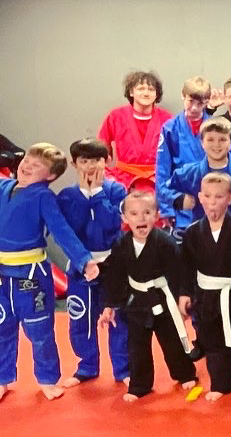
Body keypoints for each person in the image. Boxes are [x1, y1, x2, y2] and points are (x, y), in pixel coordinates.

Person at [0, 143, 99, 401]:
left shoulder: (43, 197)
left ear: (50, 176)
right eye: (27, 161)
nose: (27, 166)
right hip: (2, 276)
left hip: (31, 276)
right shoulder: (3, 187)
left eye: (37, 166)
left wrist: (85, 261)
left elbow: (61, 231)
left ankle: (47, 379)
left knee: (40, 331)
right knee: (2, 327)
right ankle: (2, 378)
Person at [98, 191, 197, 402]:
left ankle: (185, 374)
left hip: (163, 299)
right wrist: (109, 305)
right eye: (134, 214)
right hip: (137, 302)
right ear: (125, 218)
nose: (141, 218)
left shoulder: (165, 243)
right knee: (137, 346)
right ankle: (140, 384)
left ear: (157, 215)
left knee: (172, 341)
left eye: (147, 212)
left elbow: (178, 273)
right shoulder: (122, 245)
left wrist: (182, 299)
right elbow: (115, 276)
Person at [178, 173, 231, 400]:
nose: (212, 202)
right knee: (211, 340)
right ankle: (220, 384)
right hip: (205, 295)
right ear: (200, 198)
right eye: (207, 196)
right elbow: (186, 267)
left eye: (218, 197)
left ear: (230, 199)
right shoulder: (192, 231)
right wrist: (184, 293)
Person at [57, 138, 129, 387]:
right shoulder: (66, 196)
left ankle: (123, 369)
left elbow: (113, 224)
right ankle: (86, 366)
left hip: (112, 265)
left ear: (106, 161)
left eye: (97, 160)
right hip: (81, 266)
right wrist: (83, 195)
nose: (90, 166)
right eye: (84, 161)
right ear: (74, 164)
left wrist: (97, 194)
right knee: (80, 318)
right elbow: (71, 228)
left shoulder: (116, 190)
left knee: (119, 318)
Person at [166, 117, 231, 239]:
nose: (216, 145)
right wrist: (177, 199)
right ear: (202, 143)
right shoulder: (189, 174)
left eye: (222, 139)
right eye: (210, 139)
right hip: (201, 241)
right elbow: (162, 192)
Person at [155, 76, 212, 235]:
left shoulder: (214, 127)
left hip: (211, 200)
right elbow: (162, 170)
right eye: (190, 101)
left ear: (207, 102)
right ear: (183, 96)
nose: (194, 108)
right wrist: (168, 206)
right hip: (182, 202)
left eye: (200, 103)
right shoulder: (170, 128)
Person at [98, 71, 172, 187]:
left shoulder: (167, 119)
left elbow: (177, 152)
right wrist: (108, 176)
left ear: (157, 94)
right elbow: (99, 150)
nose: (146, 93)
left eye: (151, 89)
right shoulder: (116, 116)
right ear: (131, 92)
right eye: (141, 89)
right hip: (123, 181)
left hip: (157, 181)